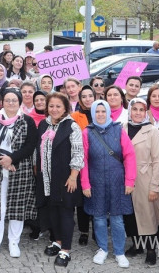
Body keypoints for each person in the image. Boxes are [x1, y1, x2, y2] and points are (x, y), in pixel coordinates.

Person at [0, 88, 38, 260]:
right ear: (2, 102)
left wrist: (12, 159)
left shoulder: (27, 121)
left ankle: (14, 241)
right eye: (7, 100)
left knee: (17, 205)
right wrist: (3, 160)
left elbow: (30, 145)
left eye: (14, 100)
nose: (11, 103)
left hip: (20, 169)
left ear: (19, 102)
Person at [80, 100, 136, 267]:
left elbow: (129, 156)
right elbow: (82, 159)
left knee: (117, 218)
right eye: (97, 112)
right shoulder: (87, 132)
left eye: (103, 111)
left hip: (117, 180)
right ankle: (103, 248)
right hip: (96, 180)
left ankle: (119, 251)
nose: (100, 114)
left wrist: (129, 181)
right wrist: (85, 184)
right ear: (92, 113)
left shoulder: (118, 130)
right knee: (98, 218)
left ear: (108, 112)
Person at [36, 92, 84, 267]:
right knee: (52, 210)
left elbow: (78, 153)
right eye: (51, 106)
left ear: (65, 108)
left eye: (58, 106)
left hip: (65, 177)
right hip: (47, 178)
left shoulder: (71, 126)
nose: (54, 109)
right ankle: (57, 241)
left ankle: (66, 249)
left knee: (65, 212)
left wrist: (73, 176)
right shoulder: (43, 125)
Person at [122, 98, 159, 266]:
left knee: (148, 216)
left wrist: (155, 186)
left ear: (146, 112)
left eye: (141, 109)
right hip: (125, 178)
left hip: (145, 178)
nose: (138, 113)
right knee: (130, 215)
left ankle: (151, 249)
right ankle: (137, 245)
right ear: (129, 111)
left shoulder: (152, 131)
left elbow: (157, 160)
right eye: (135, 109)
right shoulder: (122, 128)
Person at [69, 85, 96, 246]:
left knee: (96, 196)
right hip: (81, 161)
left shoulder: (101, 113)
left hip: (98, 161)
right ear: (80, 99)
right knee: (82, 199)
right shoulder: (74, 116)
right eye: (84, 96)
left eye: (90, 96)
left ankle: (97, 229)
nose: (87, 99)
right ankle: (84, 230)